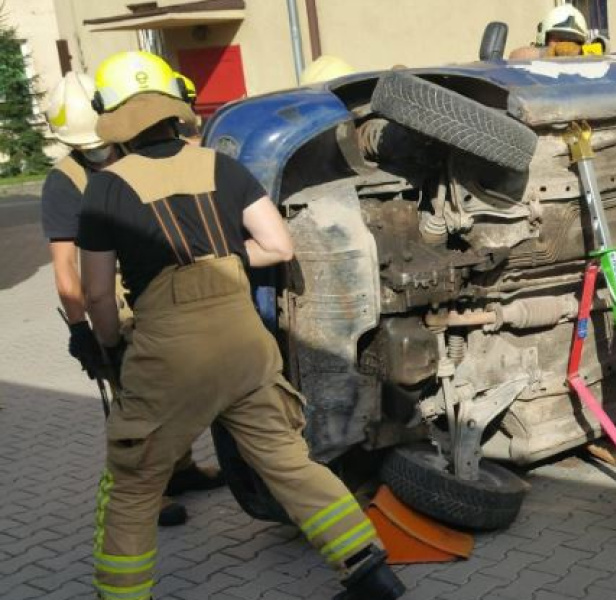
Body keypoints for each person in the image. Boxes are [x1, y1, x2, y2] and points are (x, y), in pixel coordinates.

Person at [77, 51, 404, 600]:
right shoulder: (221, 166)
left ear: (114, 119)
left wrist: (108, 343)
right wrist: (221, 258)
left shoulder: (106, 187)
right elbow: (278, 246)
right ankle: (370, 572)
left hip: (168, 352)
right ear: (172, 108)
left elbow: (93, 290)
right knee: (288, 463)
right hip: (243, 341)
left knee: (134, 484)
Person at [40, 71, 224, 528]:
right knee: (133, 404)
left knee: (176, 391)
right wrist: (83, 330)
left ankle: (179, 470)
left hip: (158, 292)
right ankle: (147, 492)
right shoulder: (63, 183)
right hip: (113, 308)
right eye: (89, 151)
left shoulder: (133, 152)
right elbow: (67, 267)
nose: (101, 157)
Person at [508, 4, 593, 60]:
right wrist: (549, 52)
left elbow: (604, 53)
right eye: (559, 39)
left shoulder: (586, 62)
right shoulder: (533, 57)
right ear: (544, 39)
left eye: (574, 41)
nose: (566, 45)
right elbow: (515, 57)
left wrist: (580, 52)